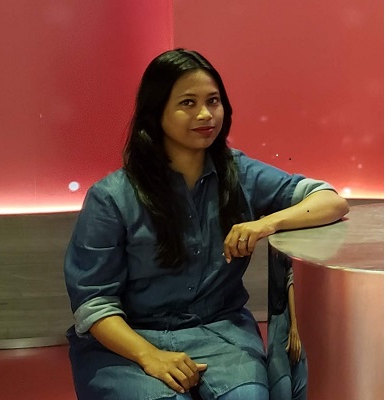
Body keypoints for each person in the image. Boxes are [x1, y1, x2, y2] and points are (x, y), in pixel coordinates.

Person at [64, 48, 349, 400]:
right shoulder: (111, 197)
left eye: (213, 101)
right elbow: (94, 304)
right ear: (156, 112)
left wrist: (266, 224)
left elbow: (329, 200)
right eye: (188, 103)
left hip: (221, 333)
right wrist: (150, 356)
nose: (205, 114)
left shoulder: (240, 173)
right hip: (130, 343)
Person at [267, 249, 308, 400]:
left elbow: (289, 274)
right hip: (266, 319)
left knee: (301, 372)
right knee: (282, 383)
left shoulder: (278, 248)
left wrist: (294, 326)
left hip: (283, 313)